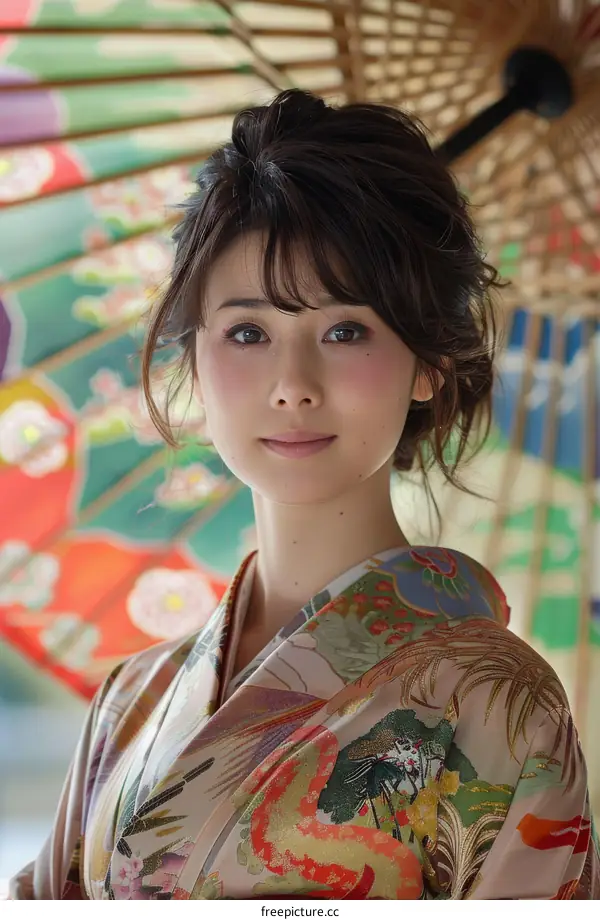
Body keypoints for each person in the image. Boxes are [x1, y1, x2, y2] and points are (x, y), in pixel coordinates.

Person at [9, 89, 599, 901]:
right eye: (248, 332)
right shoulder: (133, 699)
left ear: (429, 364)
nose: (292, 384)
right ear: (194, 360)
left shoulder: (498, 700)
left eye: (345, 330)